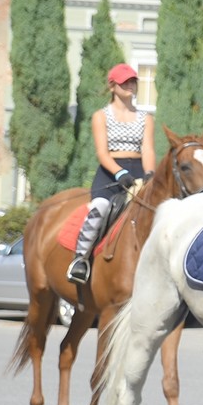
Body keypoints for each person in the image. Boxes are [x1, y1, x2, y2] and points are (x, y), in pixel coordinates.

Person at [67, 63, 155, 284]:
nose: (130, 85)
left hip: (137, 170)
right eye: (125, 81)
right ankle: (80, 260)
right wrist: (119, 173)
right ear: (112, 86)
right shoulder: (101, 116)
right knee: (100, 208)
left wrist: (150, 173)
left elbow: (148, 149)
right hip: (110, 172)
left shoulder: (146, 117)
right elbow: (102, 153)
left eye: (133, 81)